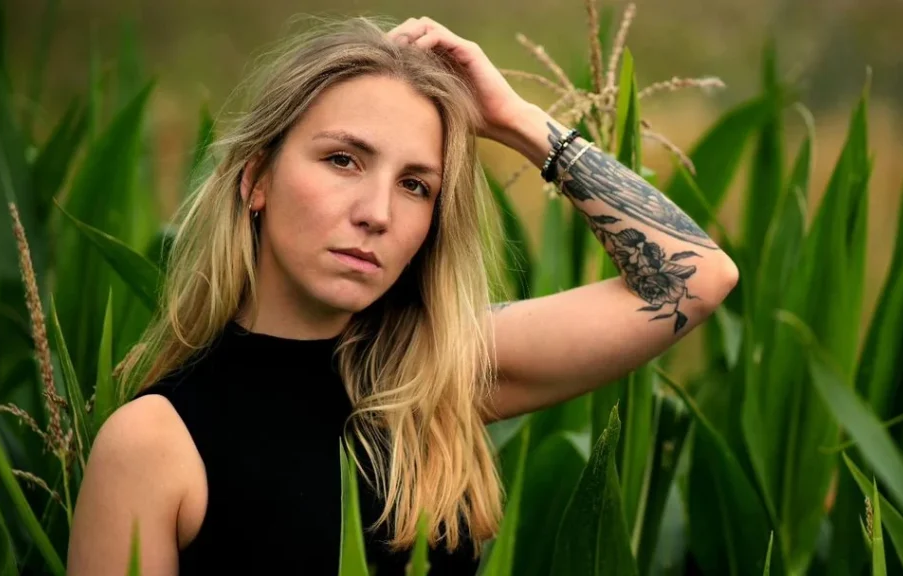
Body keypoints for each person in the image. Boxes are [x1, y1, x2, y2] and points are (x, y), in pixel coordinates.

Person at [65, 15, 738, 576]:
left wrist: (518, 122)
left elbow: (698, 277)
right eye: (343, 160)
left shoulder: (433, 375)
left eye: (416, 184)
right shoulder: (153, 445)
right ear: (257, 180)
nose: (377, 212)